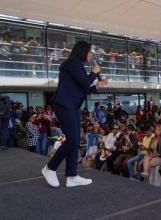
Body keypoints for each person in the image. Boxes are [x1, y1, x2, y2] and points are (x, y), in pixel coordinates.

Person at [42, 41, 108, 188]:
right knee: (72, 140)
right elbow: (85, 83)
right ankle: (50, 168)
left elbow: (83, 88)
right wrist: (94, 72)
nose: (91, 55)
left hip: (71, 106)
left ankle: (72, 176)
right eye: (90, 51)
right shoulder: (73, 63)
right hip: (65, 105)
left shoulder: (77, 65)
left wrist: (98, 85)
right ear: (83, 51)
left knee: (75, 141)